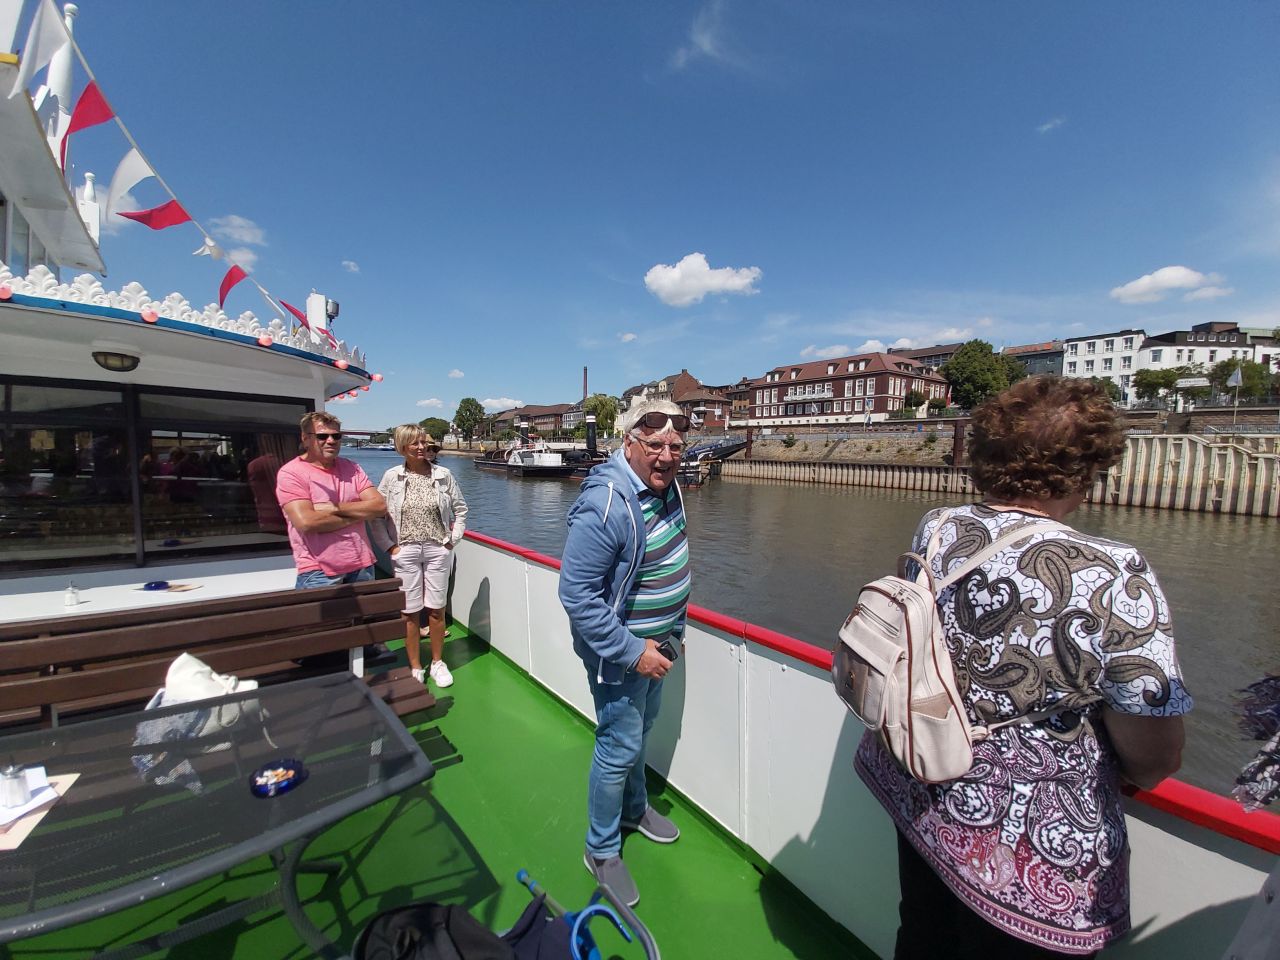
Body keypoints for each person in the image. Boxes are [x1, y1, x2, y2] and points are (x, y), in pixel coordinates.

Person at [854, 375, 1193, 959]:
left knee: (924, 937)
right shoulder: (1114, 571)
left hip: (924, 785)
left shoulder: (940, 528)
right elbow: (1154, 751)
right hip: (1035, 848)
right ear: (1086, 469)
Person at [558, 398, 692, 908]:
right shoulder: (607, 503)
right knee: (617, 747)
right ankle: (600, 848)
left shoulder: (665, 485)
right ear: (629, 442)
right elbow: (577, 595)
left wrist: (673, 629)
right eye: (654, 445)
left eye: (675, 447)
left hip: (659, 648)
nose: (666, 456)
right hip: (621, 655)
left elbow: (669, 557)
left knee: (641, 732)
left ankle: (635, 809)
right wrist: (633, 652)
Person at [371, 426, 469, 687]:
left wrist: (452, 540)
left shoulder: (443, 475)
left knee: (436, 610)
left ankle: (437, 662)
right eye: (414, 443)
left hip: (438, 549)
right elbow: (376, 515)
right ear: (402, 446)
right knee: (409, 612)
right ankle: (415, 666)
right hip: (406, 549)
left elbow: (461, 509)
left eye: (423, 442)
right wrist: (389, 547)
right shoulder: (392, 477)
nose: (421, 447)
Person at [275, 412, 386, 589]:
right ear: (305, 438)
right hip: (319, 571)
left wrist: (332, 508)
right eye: (322, 436)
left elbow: (379, 506)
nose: (331, 440)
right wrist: (360, 514)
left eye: (336, 436)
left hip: (362, 566)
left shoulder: (352, 467)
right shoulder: (291, 473)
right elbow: (307, 523)